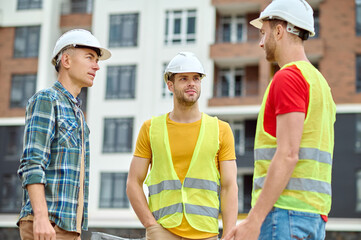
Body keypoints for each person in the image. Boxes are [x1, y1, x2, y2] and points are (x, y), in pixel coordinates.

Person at [223, 0, 336, 239]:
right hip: (314, 216)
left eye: (263, 33)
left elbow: (288, 154)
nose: (261, 42)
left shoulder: (288, 78)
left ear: (279, 30)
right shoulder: (321, 84)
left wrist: (254, 219)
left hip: (284, 214)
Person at [126, 52, 238, 240]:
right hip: (164, 231)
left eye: (196, 78)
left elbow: (229, 187)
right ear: (170, 85)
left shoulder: (221, 130)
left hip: (206, 233)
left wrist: (228, 235)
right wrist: (151, 226)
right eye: (184, 78)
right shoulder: (151, 129)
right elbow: (133, 182)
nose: (191, 83)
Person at [17, 29, 111, 240]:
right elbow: (32, 163)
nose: (96, 66)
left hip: (69, 228)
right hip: (47, 225)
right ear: (66, 60)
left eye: (97, 60)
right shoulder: (47, 100)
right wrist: (40, 217)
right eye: (90, 58)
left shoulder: (78, 114)